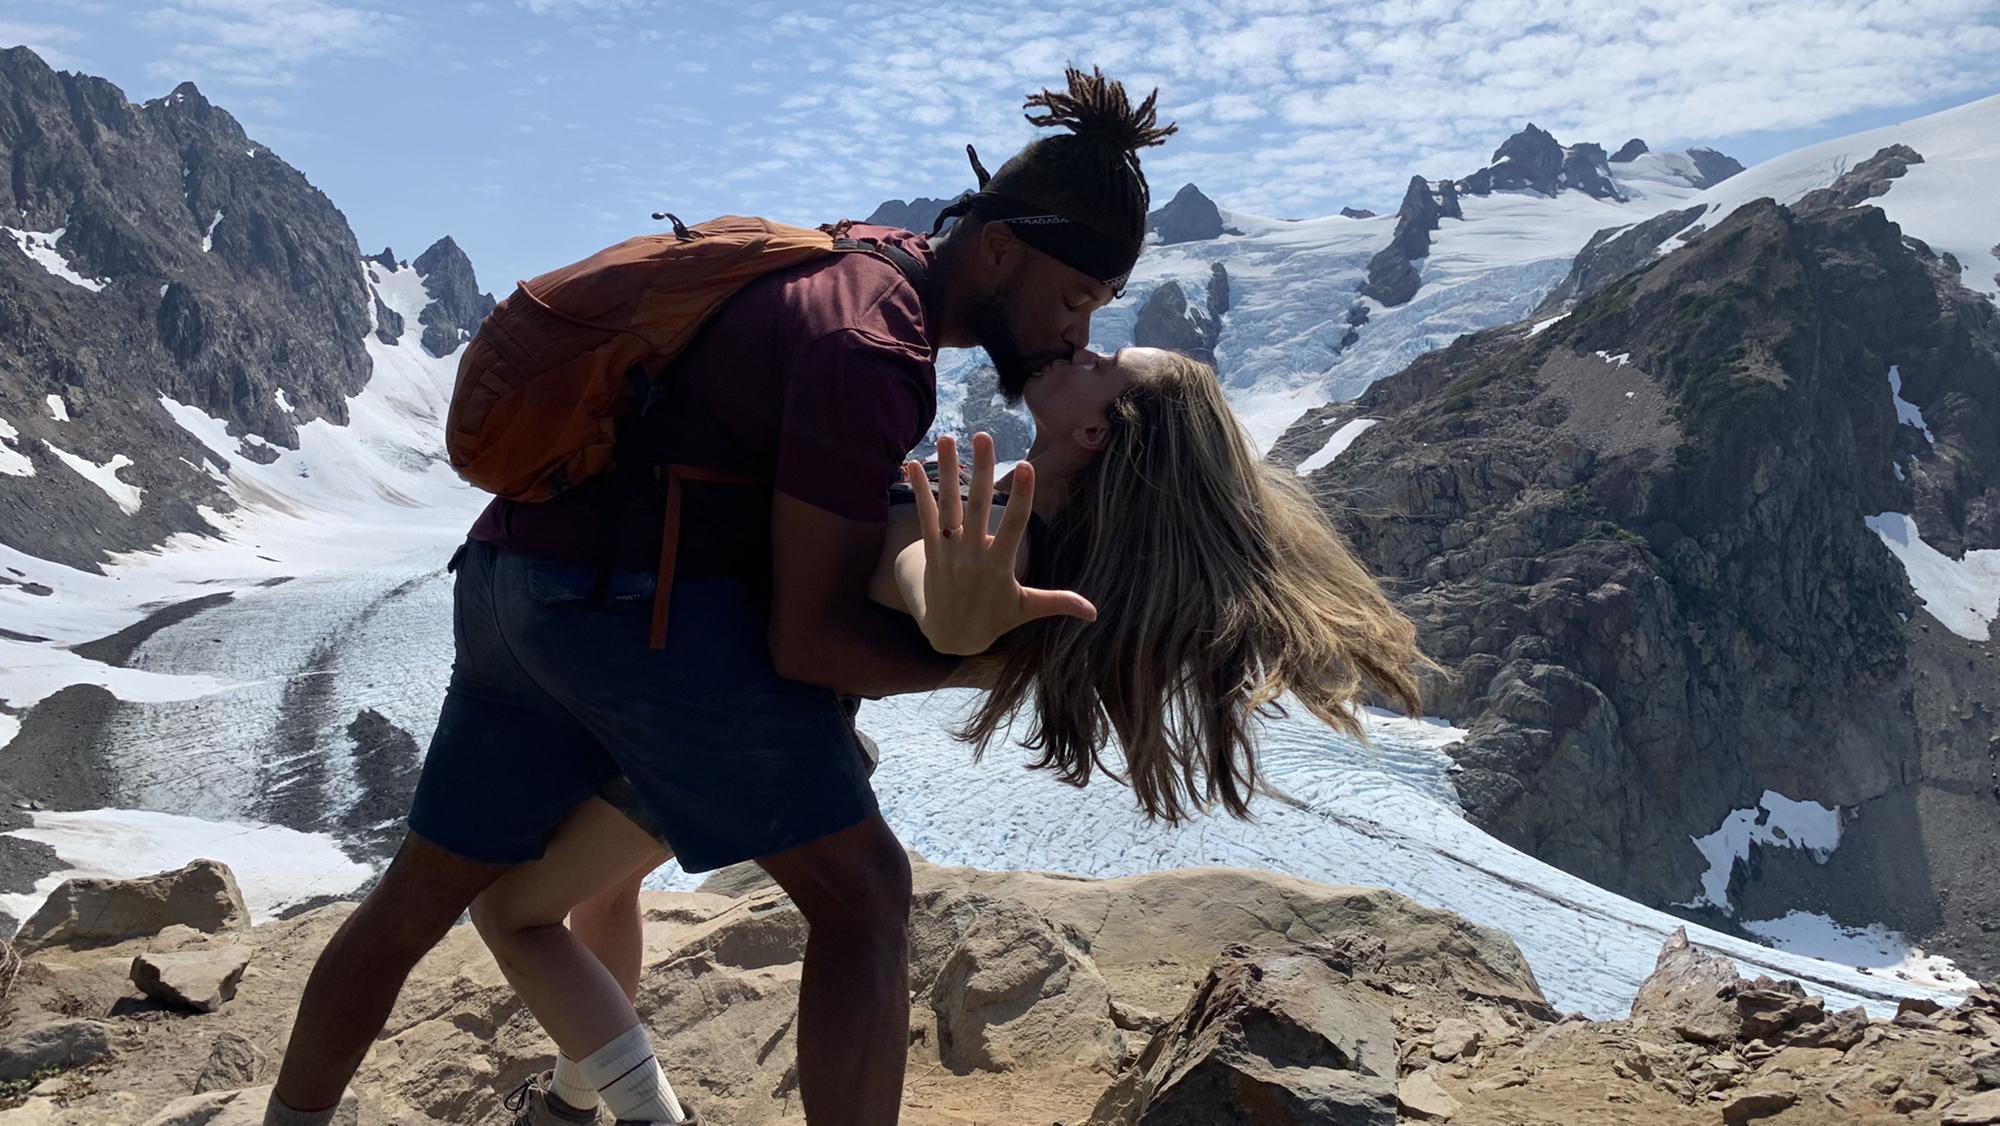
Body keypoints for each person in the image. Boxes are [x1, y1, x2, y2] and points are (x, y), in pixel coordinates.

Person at [262, 66, 1176, 1126]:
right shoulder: (873, 348)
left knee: (411, 905)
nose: (1073, 334)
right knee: (865, 896)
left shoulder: (854, 258)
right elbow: (806, 642)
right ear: (1000, 250)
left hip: (512, 581)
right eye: (1073, 299)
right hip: (636, 613)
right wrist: (966, 657)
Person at [478, 345, 1443, 1125]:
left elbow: (927, 587)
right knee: (609, 884)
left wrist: (952, 612)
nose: (1083, 348)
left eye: (1106, 362)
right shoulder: (1027, 518)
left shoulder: (1005, 534)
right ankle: (573, 1098)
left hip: (720, 727)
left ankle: (640, 1114)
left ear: (1096, 427)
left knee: (512, 914)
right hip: (721, 708)